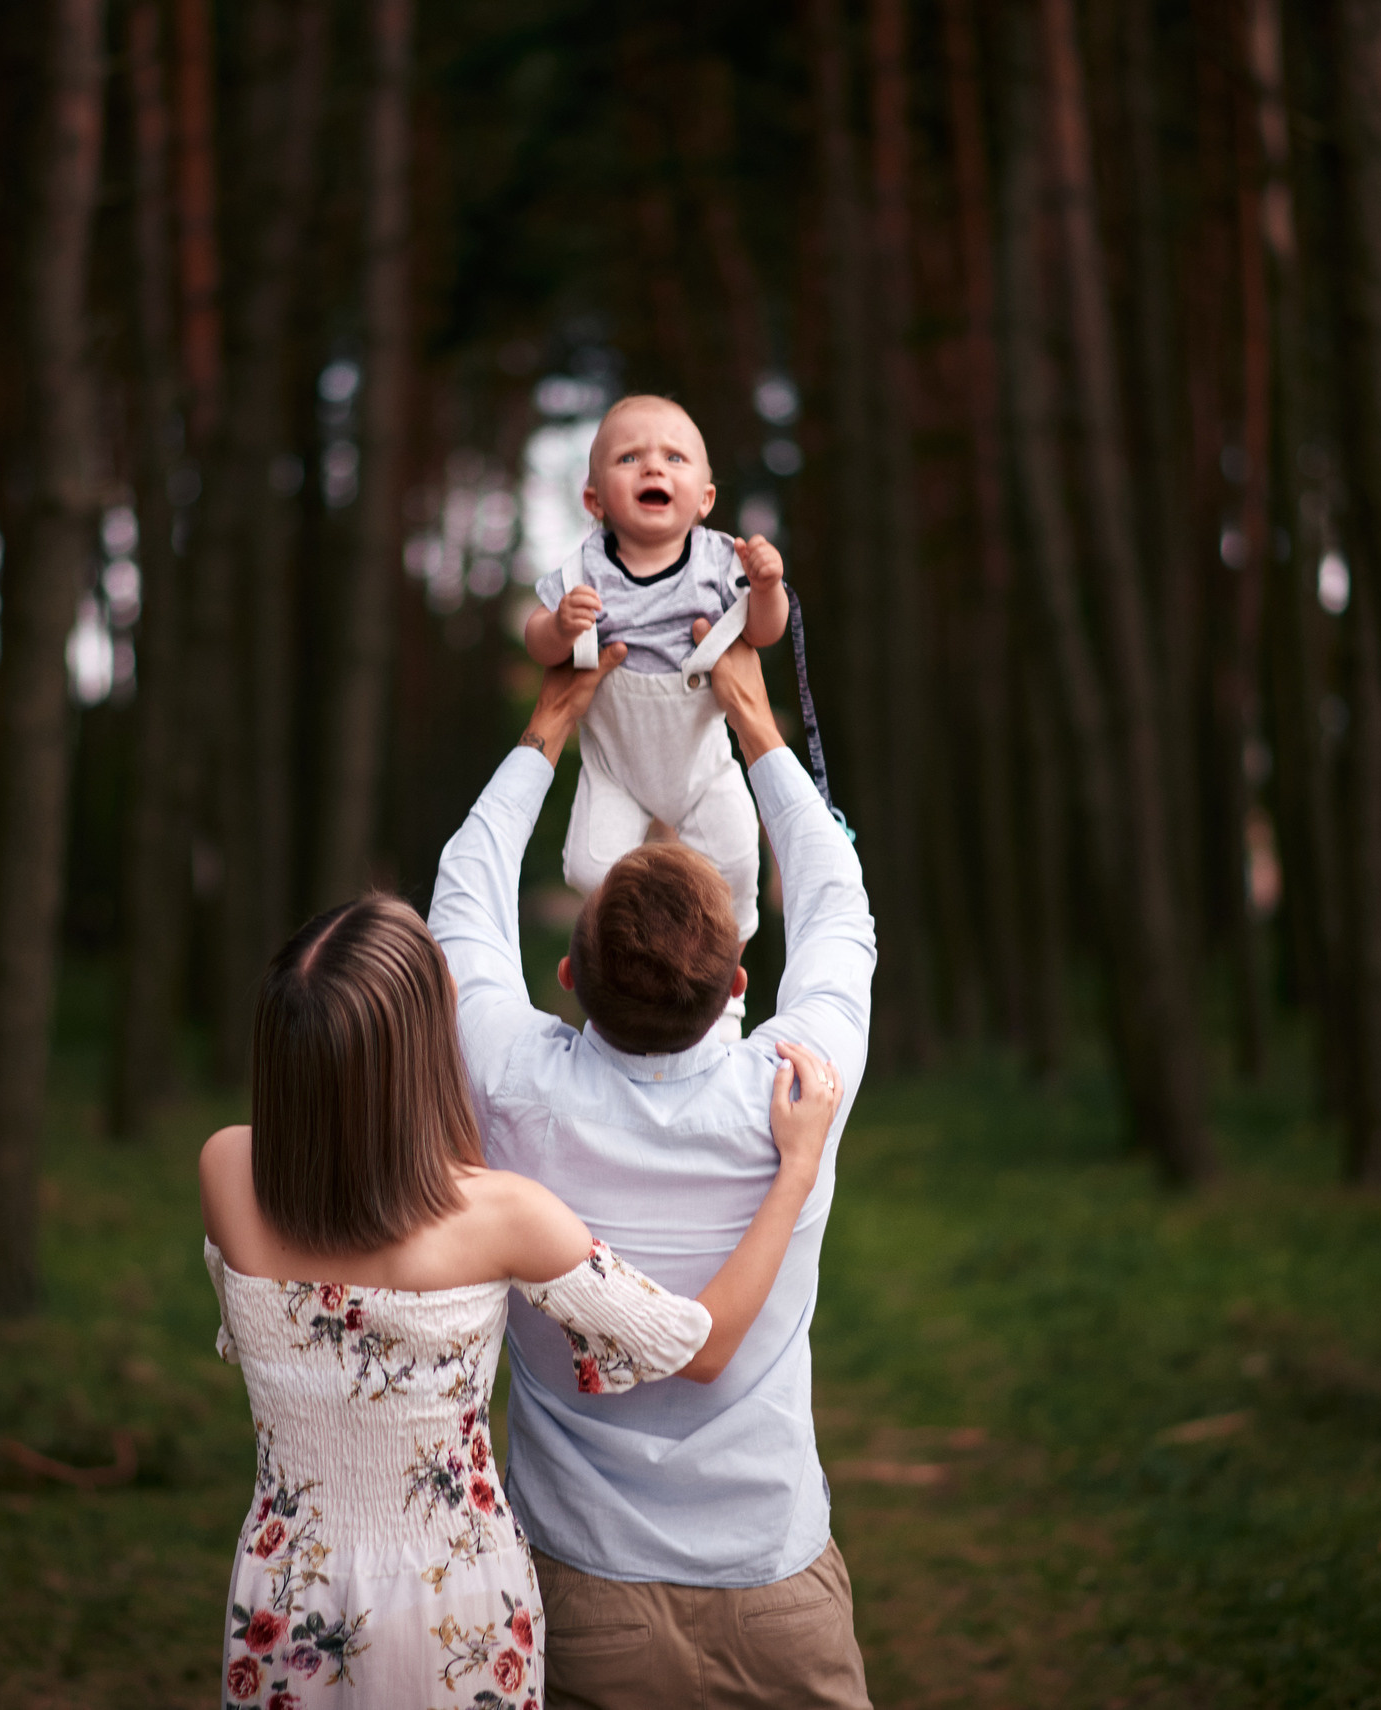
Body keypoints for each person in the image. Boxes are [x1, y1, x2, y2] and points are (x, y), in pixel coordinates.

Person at [199, 885, 844, 1710]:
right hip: (457, 1605)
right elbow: (701, 1343)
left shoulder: (226, 1170)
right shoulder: (501, 1216)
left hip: (287, 1597)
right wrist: (796, 1170)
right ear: (421, 1048)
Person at [429, 626, 877, 1708]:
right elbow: (837, 901)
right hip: (775, 1586)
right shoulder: (798, 1089)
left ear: (567, 976)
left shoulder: (511, 1087)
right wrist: (753, 719)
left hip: (583, 1598)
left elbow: (463, 893)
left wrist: (552, 722)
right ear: (738, 986)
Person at [522, 395, 790, 1035]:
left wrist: (768, 588)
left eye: (674, 457)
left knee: (736, 864)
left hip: (701, 762)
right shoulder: (584, 570)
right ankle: (608, 974)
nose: (652, 467)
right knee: (591, 868)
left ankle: (724, 978)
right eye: (629, 457)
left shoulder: (719, 562)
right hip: (616, 765)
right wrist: (559, 628)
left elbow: (763, 632)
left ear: (704, 499)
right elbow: (538, 641)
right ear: (594, 500)